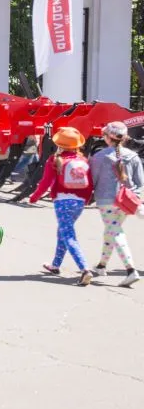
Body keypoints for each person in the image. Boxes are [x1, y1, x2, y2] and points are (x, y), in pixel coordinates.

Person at [30, 127, 95, 285]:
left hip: (62, 202)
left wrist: (34, 197)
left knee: (68, 236)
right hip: (79, 203)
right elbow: (89, 185)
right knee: (63, 231)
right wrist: (85, 201)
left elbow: (45, 182)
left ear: (59, 143)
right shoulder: (83, 161)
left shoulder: (55, 160)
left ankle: (85, 269)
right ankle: (55, 265)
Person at [89, 121, 143, 288]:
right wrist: (135, 197)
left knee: (116, 232)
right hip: (127, 201)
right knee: (111, 231)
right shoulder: (133, 156)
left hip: (106, 201)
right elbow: (140, 182)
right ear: (125, 137)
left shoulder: (99, 157)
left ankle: (130, 270)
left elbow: (93, 180)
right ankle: (101, 266)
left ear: (106, 137)